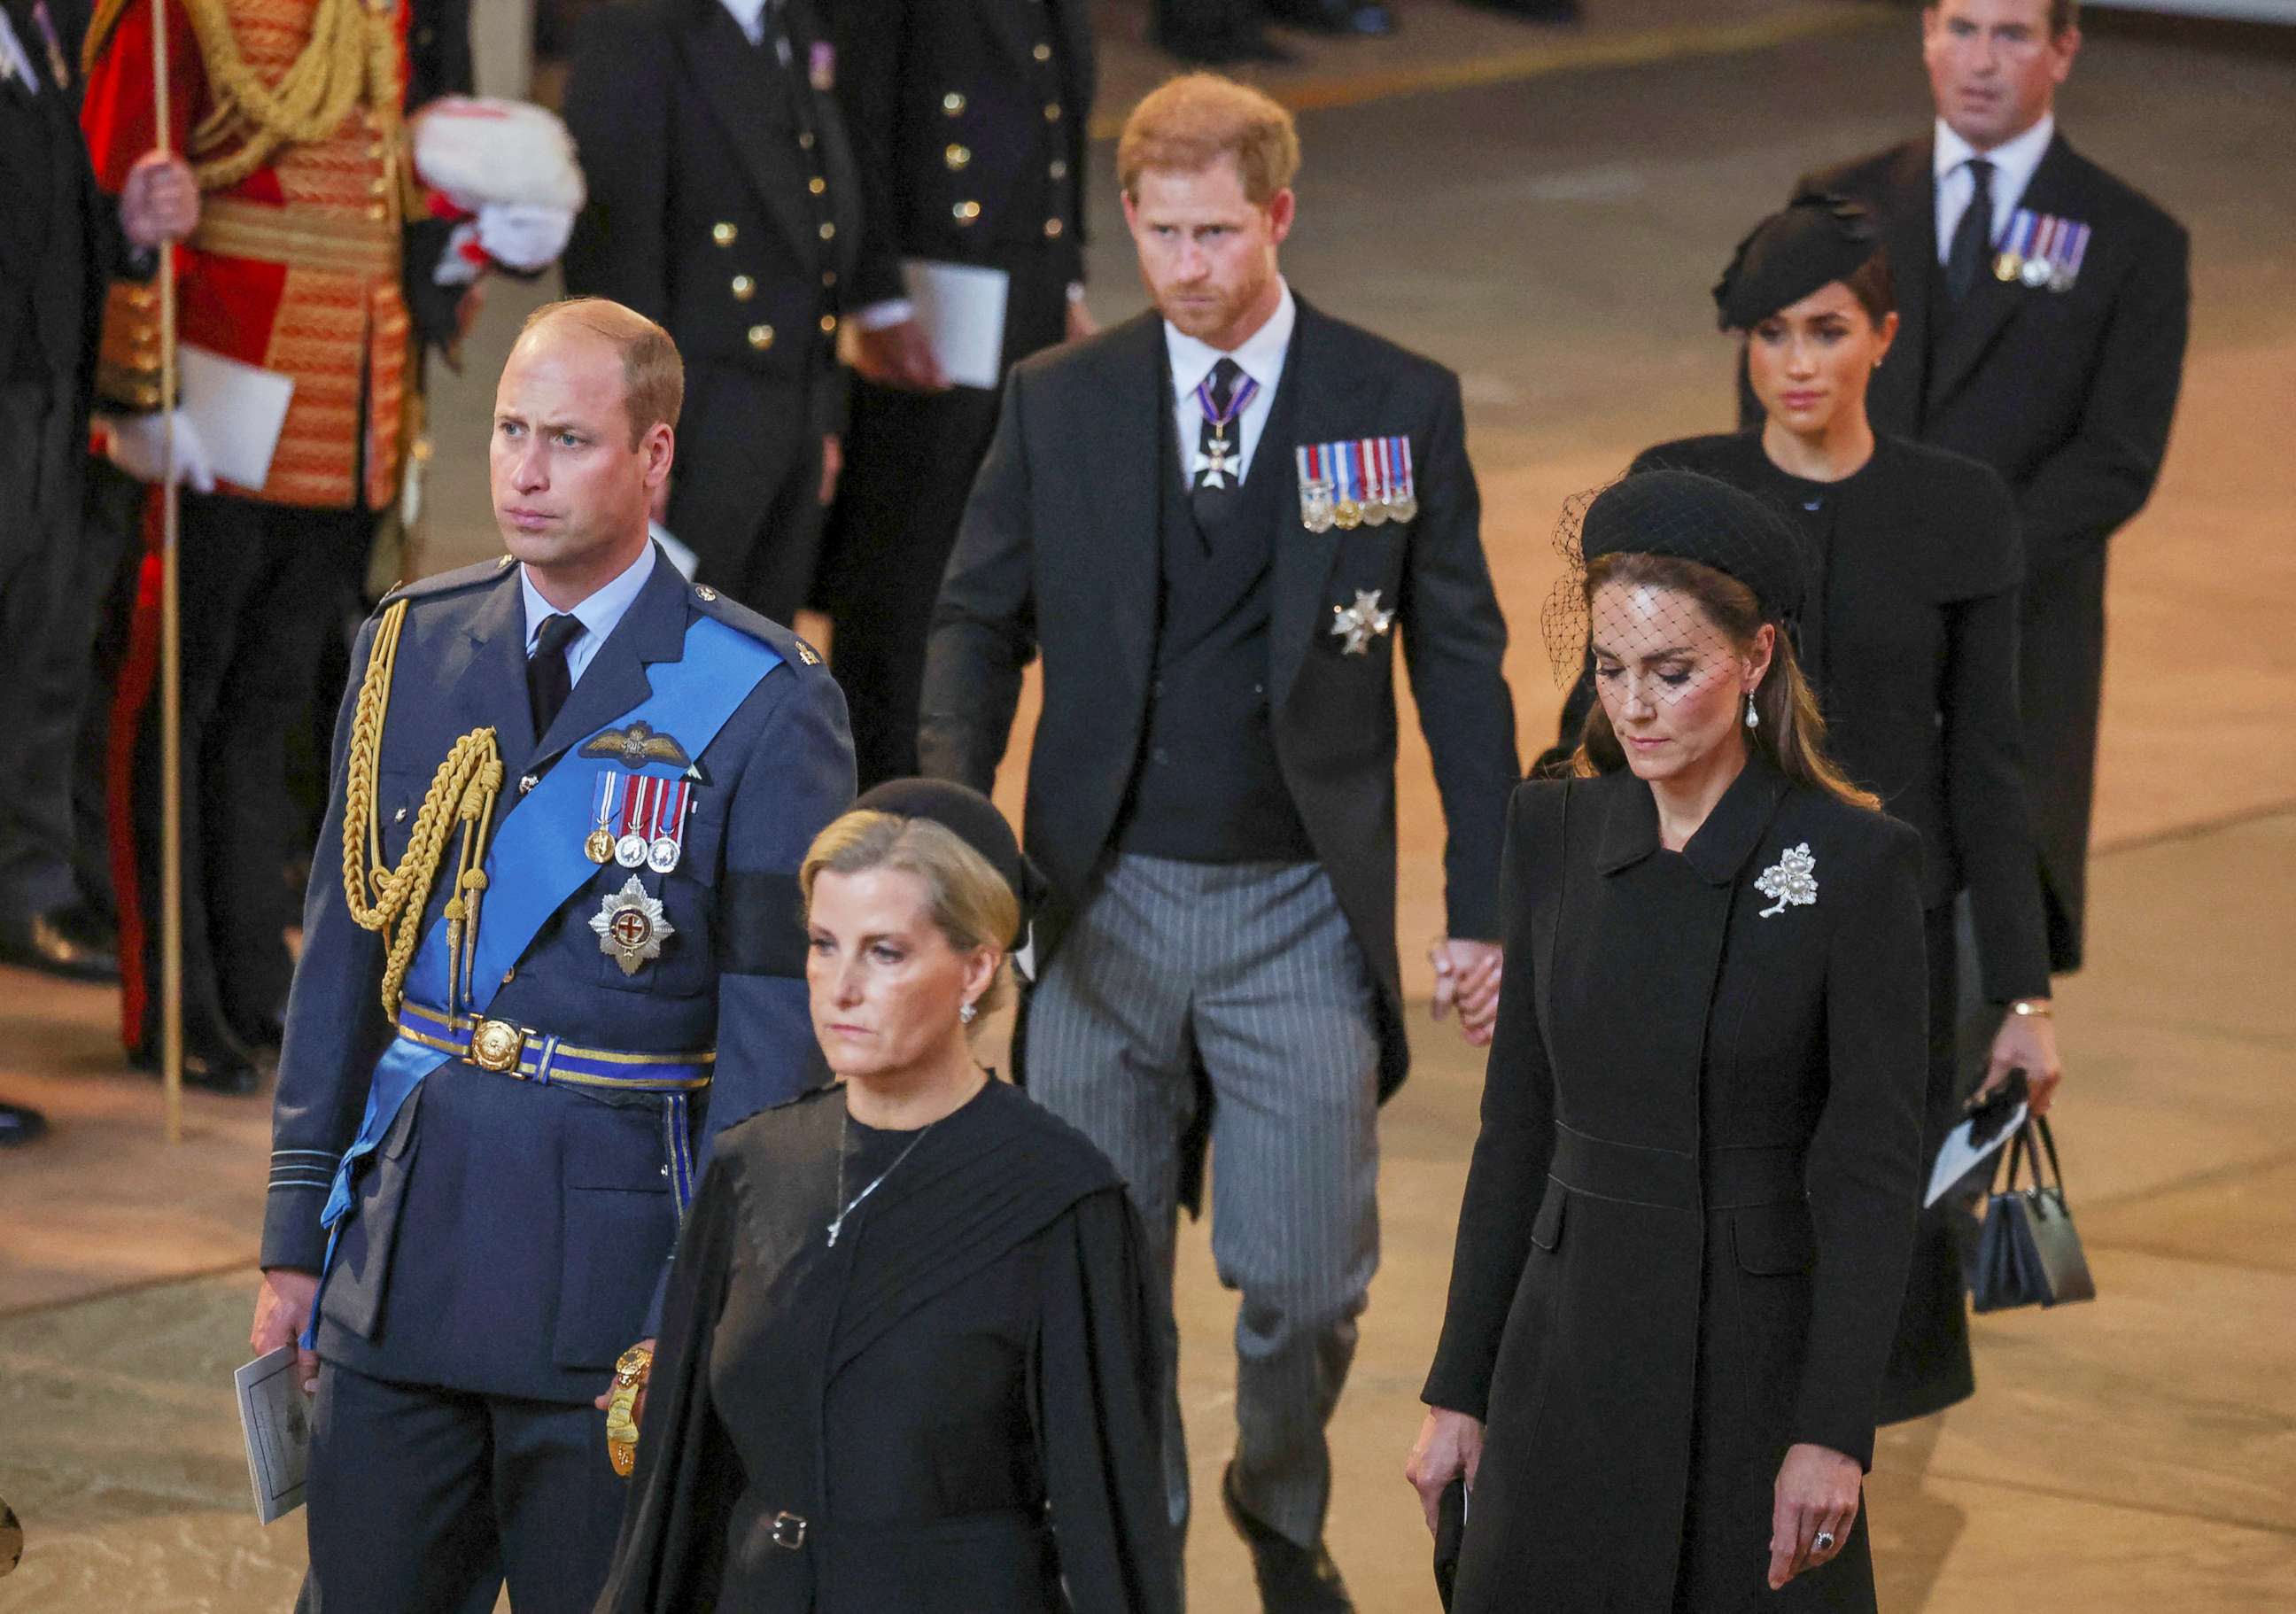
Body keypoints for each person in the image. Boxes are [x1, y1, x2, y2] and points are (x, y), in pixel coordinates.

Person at [921, 74, 1518, 1612]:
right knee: (1097, 1276)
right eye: (1161, 233)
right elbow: (977, 618)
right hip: (1097, 902)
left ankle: (1276, 1488)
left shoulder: (1396, 401)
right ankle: (1137, 1545)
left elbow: (1457, 664)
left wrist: (1481, 901)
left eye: (1217, 232)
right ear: (1128, 221)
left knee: (1308, 1276)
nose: (1188, 265)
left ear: (1280, 216)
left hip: (1298, 908)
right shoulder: (1063, 400)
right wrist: (950, 830)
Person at [245, 299, 855, 1614]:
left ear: (653, 458)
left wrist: (731, 1305)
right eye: (511, 431)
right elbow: (345, 966)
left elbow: (773, 1047)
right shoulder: (407, 643)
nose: (523, 470)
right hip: (400, 1257)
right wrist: (298, 1237)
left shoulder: (763, 697)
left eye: (568, 440)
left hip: (620, 1277)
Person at [1408, 469, 1928, 1612]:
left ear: (1756, 660)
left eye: (1671, 671)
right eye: (1609, 669)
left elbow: (1873, 1173)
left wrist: (1835, 1431)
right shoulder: (1549, 829)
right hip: (1565, 1363)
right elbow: (1514, 1131)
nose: (1632, 706)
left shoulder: (1854, 863)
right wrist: (1459, 1389)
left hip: (1753, 1377)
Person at [1633, 196, 2062, 1422]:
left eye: (1825, 330)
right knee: (1706, 1241)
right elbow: (1600, 729)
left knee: (1872, 1251)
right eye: (1769, 334)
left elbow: (1989, 760)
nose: (1796, 364)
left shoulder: (1959, 506)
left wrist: (2024, 998)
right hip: (1702, 925)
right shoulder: (1683, 492)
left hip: (1889, 944)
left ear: (1883, 333)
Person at [80, 0, 560, 1091]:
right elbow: (108, 175)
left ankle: (256, 973)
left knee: (277, 700)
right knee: (179, 691)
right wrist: (136, 298)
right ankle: (171, 991)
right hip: (222, 370)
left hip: (348, 385)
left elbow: (395, 179)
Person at [596, 780, 1180, 1612]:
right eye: (824, 945)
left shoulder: (1061, 1201)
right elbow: (678, 1491)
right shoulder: (751, 1166)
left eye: (885, 952)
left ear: (976, 967)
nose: (839, 990)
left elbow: (1108, 1520)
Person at [1784, 0, 2190, 976]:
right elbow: (1780, 408)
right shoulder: (1838, 209)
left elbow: (2116, 459)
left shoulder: (2129, 236)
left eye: (2012, 36)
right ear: (1925, 36)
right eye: (1960, 29)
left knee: (1972, 978)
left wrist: (1953, 557)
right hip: (1838, 650)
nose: (1980, 61)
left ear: (2064, 52)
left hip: (2010, 653)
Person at [815, 0, 1099, 788]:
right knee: (908, 574)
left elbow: (1059, 114)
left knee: (994, 563)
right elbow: (858, 113)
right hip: (931, 288)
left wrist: (1066, 272)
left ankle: (954, 788)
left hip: (1024, 281)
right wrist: (875, 296)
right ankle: (885, 793)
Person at [0, 0, 195, 1145]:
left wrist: (128, 225)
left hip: (41, 425)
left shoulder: (42, 39)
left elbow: (56, 235)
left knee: (23, 709)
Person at [562, 0, 893, 625]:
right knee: (662, 658)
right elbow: (616, 260)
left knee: (760, 656)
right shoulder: (637, 27)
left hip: (786, 406)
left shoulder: (789, 23)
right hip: (693, 409)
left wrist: (821, 417)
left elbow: (814, 230)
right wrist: (632, 442)